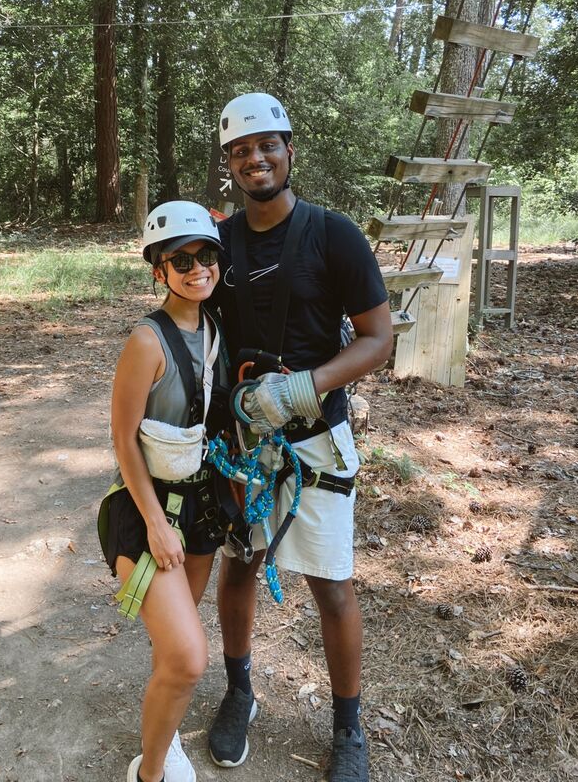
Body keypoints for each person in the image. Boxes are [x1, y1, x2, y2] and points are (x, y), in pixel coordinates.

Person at [206, 93, 393, 782]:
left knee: (332, 585)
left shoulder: (333, 234)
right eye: (241, 150)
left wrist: (307, 385)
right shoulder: (216, 246)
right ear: (229, 163)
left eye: (267, 146)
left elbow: (377, 338)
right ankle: (238, 691)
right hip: (242, 440)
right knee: (241, 563)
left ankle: (348, 728)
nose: (256, 158)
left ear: (290, 152)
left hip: (315, 437)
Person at [106, 200, 229, 782]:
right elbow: (124, 440)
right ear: (159, 269)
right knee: (186, 658)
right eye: (181, 259)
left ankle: (167, 733)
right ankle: (149, 772)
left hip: (201, 506)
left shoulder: (215, 329)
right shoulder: (146, 342)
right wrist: (154, 523)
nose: (197, 268)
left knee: (175, 649)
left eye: (207, 255)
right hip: (146, 509)